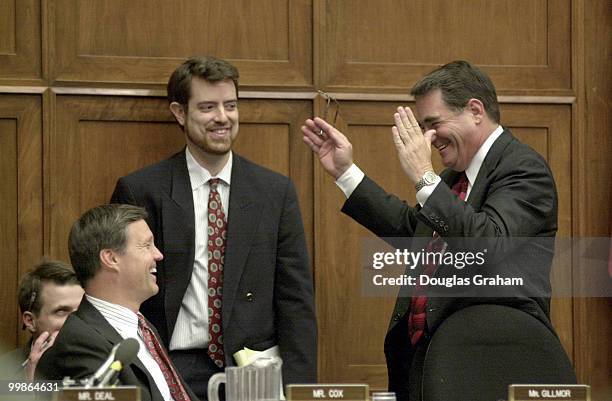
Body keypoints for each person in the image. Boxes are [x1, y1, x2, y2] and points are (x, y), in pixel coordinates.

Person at [302, 60, 564, 400]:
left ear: (474, 110)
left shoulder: (524, 169)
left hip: (491, 364)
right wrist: (346, 173)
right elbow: (416, 233)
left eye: (433, 123)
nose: (428, 138)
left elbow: (487, 244)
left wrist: (424, 178)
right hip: (436, 363)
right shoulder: (453, 180)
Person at [110, 56, 317, 399]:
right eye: (208, 107)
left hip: (255, 372)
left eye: (230, 105)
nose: (223, 117)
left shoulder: (274, 192)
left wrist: (299, 390)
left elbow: (295, 299)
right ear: (179, 112)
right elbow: (120, 293)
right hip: (170, 367)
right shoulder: (142, 190)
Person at [37, 204, 198, 401]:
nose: (158, 254)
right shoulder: (80, 343)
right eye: (147, 245)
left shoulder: (143, 327)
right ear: (111, 258)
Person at [0, 260, 83, 380]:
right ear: (30, 321)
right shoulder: (5, 372)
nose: (78, 321)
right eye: (61, 311)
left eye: (82, 310)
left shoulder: (107, 362)